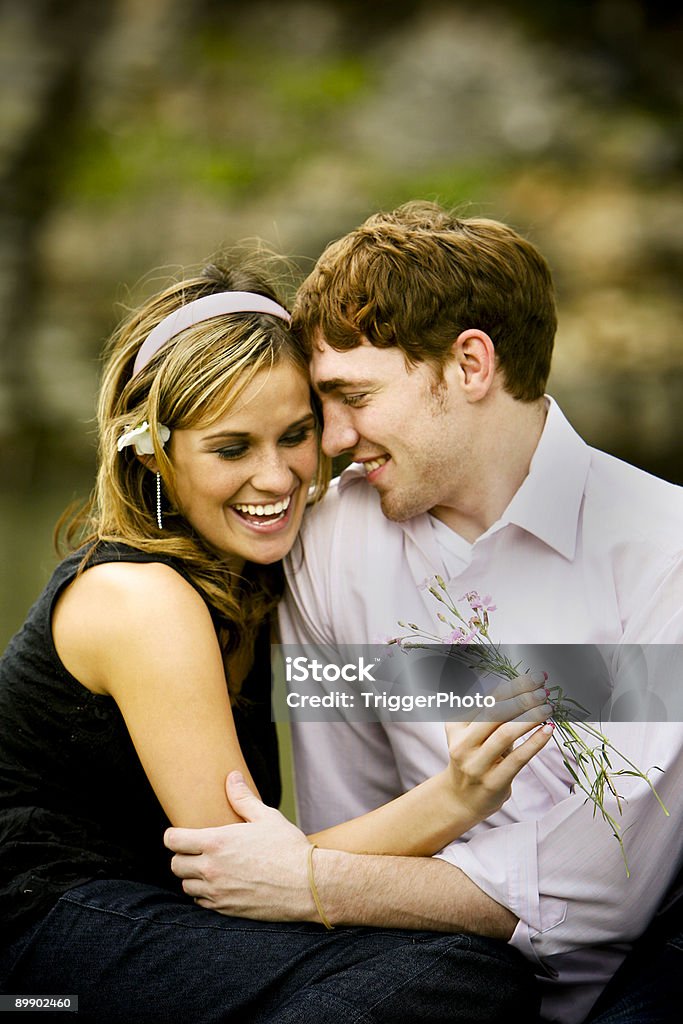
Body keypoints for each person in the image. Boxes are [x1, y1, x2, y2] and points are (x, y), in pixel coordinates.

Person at [165, 203, 683, 1024]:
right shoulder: (331, 542)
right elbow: (353, 813)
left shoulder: (663, 551)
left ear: (469, 365)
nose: (329, 441)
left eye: (353, 396)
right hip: (433, 969)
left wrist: (309, 878)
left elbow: (605, 889)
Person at [0, 256, 554, 1023]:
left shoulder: (261, 576)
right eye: (231, 449)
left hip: (153, 923)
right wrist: (455, 798)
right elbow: (243, 873)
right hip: (40, 947)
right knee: (456, 975)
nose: (276, 477)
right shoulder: (140, 599)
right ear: (151, 451)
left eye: (295, 435)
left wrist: (597, 684)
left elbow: (372, 679)